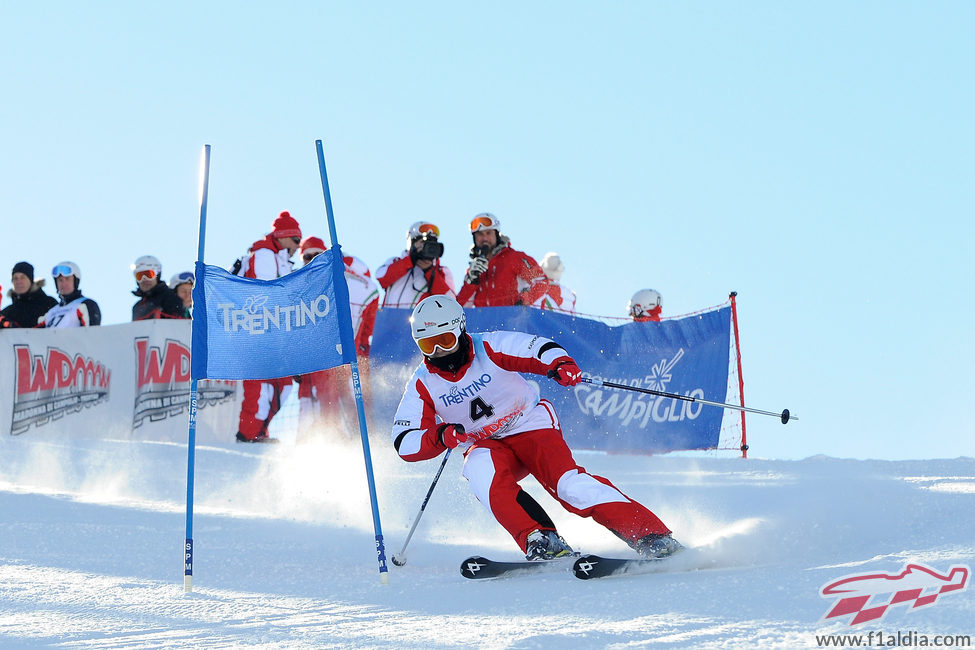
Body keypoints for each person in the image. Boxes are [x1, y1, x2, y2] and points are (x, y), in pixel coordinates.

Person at [392, 295, 682, 561]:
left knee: (568, 485)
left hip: (528, 424)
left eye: (444, 339)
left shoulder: (488, 345)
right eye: (428, 345)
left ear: (460, 330)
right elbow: (404, 440)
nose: (439, 351)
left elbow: (536, 348)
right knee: (479, 470)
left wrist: (559, 363)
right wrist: (440, 437)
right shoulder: (423, 382)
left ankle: (650, 535)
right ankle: (541, 538)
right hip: (485, 444)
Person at [296, 236, 381, 441]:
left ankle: (354, 441)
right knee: (346, 402)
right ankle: (352, 439)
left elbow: (369, 327)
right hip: (343, 357)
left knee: (336, 403)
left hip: (331, 358)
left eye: (316, 255)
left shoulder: (307, 285)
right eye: (307, 257)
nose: (311, 261)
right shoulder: (366, 285)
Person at [234, 211, 303, 443]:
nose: (298, 246)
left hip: (274, 335)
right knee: (260, 388)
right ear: (283, 236)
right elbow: (268, 294)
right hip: (258, 333)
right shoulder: (264, 253)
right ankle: (248, 435)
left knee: (281, 387)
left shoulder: (279, 258)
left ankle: (259, 432)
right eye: (296, 240)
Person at [455, 213, 549, 308]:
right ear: (474, 238)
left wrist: (524, 301)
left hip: (514, 319)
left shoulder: (514, 258)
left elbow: (541, 282)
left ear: (496, 234)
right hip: (484, 322)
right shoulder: (473, 270)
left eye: (488, 233)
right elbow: (460, 309)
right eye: (480, 234)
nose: (484, 238)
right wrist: (471, 282)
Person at [376, 221, 456, 308]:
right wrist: (410, 260)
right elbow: (381, 277)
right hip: (390, 319)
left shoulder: (441, 271)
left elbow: (450, 302)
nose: (427, 248)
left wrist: (429, 271)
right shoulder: (395, 261)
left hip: (418, 320)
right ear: (412, 243)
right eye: (423, 243)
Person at [39, 262, 101, 328]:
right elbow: (30, 335)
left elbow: (91, 334)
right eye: (60, 280)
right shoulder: (50, 313)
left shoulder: (85, 305)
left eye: (67, 279)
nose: (63, 284)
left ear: (75, 281)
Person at [1, 261, 58, 328]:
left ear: (30, 280)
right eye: (15, 278)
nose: (19, 282)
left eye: (22, 277)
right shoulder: (8, 313)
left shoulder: (48, 304)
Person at [131, 255, 188, 321]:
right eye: (139, 276)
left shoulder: (170, 297)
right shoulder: (137, 307)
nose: (144, 280)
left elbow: (179, 325)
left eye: (149, 275)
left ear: (157, 275)